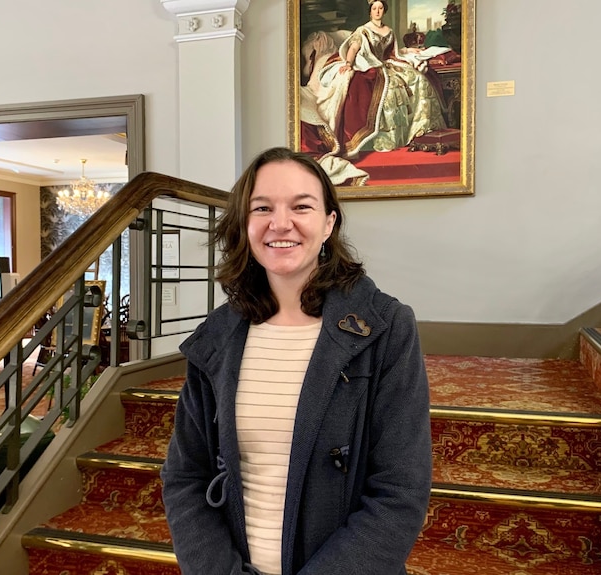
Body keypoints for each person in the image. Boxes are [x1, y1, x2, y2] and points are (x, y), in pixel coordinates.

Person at [161, 147, 432, 575]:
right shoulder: (217, 337)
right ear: (245, 225)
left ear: (328, 224)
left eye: (301, 207)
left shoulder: (386, 327)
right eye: (262, 208)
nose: (280, 223)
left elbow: (400, 490)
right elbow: (185, 478)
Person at [300, 0, 448, 184]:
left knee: (416, 78)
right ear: (370, 11)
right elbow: (353, 48)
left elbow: (392, 53)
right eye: (374, 8)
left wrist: (406, 57)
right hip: (369, 63)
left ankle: (418, 130)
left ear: (383, 11)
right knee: (390, 86)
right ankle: (384, 140)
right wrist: (348, 63)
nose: (377, 11)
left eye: (380, 8)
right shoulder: (363, 30)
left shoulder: (389, 31)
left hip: (385, 64)